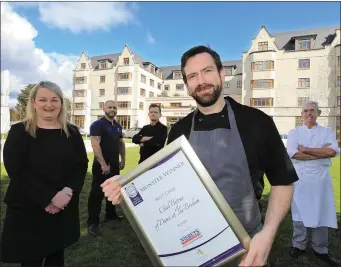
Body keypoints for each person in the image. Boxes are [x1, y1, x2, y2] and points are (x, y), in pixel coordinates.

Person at [101, 46, 299, 266]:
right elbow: (165, 186)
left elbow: (283, 182)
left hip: (248, 246)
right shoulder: (179, 131)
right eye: (193, 76)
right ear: (187, 86)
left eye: (207, 71)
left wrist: (268, 234)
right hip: (195, 245)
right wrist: (127, 186)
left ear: (222, 74)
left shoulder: (257, 122)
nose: (201, 80)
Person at [0, 81, 88, 267]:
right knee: (30, 259)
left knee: (56, 258)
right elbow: (16, 170)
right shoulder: (19, 132)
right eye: (43, 99)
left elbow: (81, 165)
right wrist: (48, 198)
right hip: (28, 209)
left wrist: (68, 191)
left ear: (61, 103)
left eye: (54, 99)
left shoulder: (72, 132)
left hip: (63, 207)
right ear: (33, 102)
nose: (49, 105)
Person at [287, 101, 339, 267]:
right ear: (301, 114)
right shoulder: (294, 132)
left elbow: (332, 151)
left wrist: (306, 149)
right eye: (305, 111)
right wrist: (320, 153)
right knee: (300, 212)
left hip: (321, 180)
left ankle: (320, 247)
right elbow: (293, 154)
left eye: (312, 110)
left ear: (319, 113)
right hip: (301, 179)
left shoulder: (327, 131)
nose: (309, 113)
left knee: (321, 211)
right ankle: (299, 244)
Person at [87, 100, 126, 236]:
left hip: (115, 165)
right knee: (97, 194)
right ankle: (92, 223)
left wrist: (123, 159)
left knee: (113, 190)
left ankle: (111, 214)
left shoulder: (117, 126)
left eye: (114, 107)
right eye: (109, 107)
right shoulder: (97, 125)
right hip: (101, 166)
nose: (112, 109)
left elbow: (121, 144)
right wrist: (103, 164)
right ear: (103, 108)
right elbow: (95, 145)